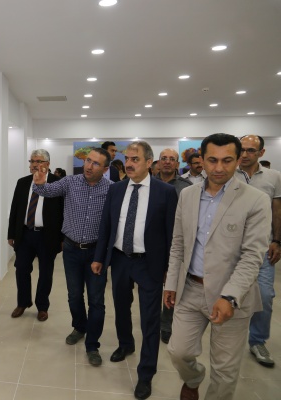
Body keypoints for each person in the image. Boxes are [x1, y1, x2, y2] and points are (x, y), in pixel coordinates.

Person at [164, 133, 271, 400]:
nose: (219, 167)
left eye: (227, 160)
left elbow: (252, 256)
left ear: (238, 160)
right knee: (178, 351)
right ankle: (193, 378)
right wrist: (171, 283)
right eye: (212, 160)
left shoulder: (255, 199)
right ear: (201, 159)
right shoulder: (187, 195)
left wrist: (230, 296)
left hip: (232, 295)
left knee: (225, 370)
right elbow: (178, 244)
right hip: (191, 288)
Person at [92, 141, 177, 399]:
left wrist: (169, 268)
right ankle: (125, 344)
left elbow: (172, 234)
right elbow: (106, 226)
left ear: (149, 162)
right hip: (120, 259)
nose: (128, 163)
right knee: (121, 307)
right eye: (127, 158)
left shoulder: (165, 192)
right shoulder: (116, 189)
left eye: (135, 159)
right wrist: (99, 257)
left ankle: (146, 373)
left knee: (150, 319)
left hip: (149, 263)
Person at [33, 148, 113, 366]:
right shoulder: (70, 182)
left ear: (106, 169)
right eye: (88, 161)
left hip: (96, 252)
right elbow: (47, 190)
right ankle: (79, 327)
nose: (89, 166)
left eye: (96, 163)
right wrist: (39, 183)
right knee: (74, 295)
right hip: (71, 250)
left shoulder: (111, 189)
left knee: (96, 300)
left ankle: (92, 344)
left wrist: (105, 255)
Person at [235, 135, 281, 368]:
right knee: (229, 294)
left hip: (262, 247)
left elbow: (277, 209)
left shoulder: (274, 177)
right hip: (232, 247)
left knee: (264, 295)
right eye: (241, 149)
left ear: (261, 153)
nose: (245, 154)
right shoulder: (229, 174)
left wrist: (277, 240)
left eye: (251, 150)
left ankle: (257, 341)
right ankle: (230, 337)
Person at [7, 150, 64, 321]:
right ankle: (23, 302)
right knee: (21, 269)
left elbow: (63, 212)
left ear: (47, 164)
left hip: (47, 236)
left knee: (45, 272)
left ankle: (42, 306)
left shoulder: (57, 183)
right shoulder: (23, 182)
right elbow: (15, 209)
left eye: (38, 161)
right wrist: (11, 233)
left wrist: (62, 238)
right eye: (32, 161)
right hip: (25, 234)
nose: (34, 164)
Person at [154, 148, 192, 344]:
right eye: (164, 158)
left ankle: (166, 324)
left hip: (176, 244)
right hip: (152, 244)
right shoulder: (148, 183)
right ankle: (151, 319)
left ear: (177, 164)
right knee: (151, 286)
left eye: (172, 159)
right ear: (158, 162)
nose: (167, 162)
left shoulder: (187, 187)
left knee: (171, 284)